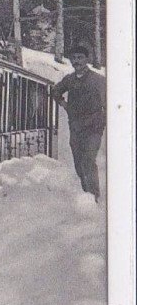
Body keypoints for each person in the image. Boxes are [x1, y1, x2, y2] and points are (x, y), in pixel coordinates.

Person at [50, 44, 107, 200]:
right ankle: (86, 194)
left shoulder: (98, 80)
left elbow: (108, 104)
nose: (77, 61)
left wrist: (101, 121)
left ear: (87, 59)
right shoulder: (70, 80)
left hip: (93, 129)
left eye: (80, 58)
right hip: (76, 128)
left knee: (88, 160)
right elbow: (55, 91)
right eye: (74, 58)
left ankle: (94, 198)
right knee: (79, 164)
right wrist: (64, 104)